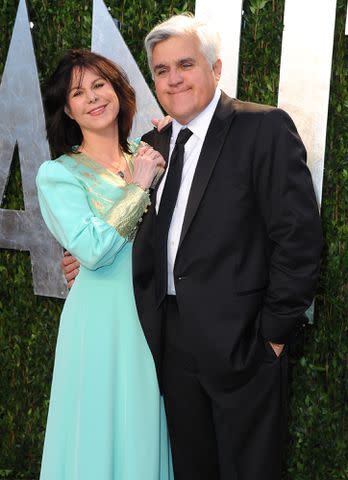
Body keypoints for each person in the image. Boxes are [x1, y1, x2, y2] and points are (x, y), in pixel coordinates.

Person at [64, 14, 323, 480]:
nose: (173, 78)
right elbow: (137, 232)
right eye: (162, 70)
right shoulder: (153, 143)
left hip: (245, 348)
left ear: (215, 69)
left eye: (185, 64)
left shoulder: (262, 128)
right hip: (170, 348)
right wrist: (80, 261)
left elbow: (298, 238)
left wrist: (273, 338)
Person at [36, 49, 174, 480]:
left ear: (118, 90)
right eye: (79, 92)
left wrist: (177, 139)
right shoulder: (57, 175)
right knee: (96, 438)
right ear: (67, 109)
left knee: (145, 433)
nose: (93, 98)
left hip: (155, 322)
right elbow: (92, 250)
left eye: (100, 85)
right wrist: (138, 188)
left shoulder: (149, 154)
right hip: (97, 325)